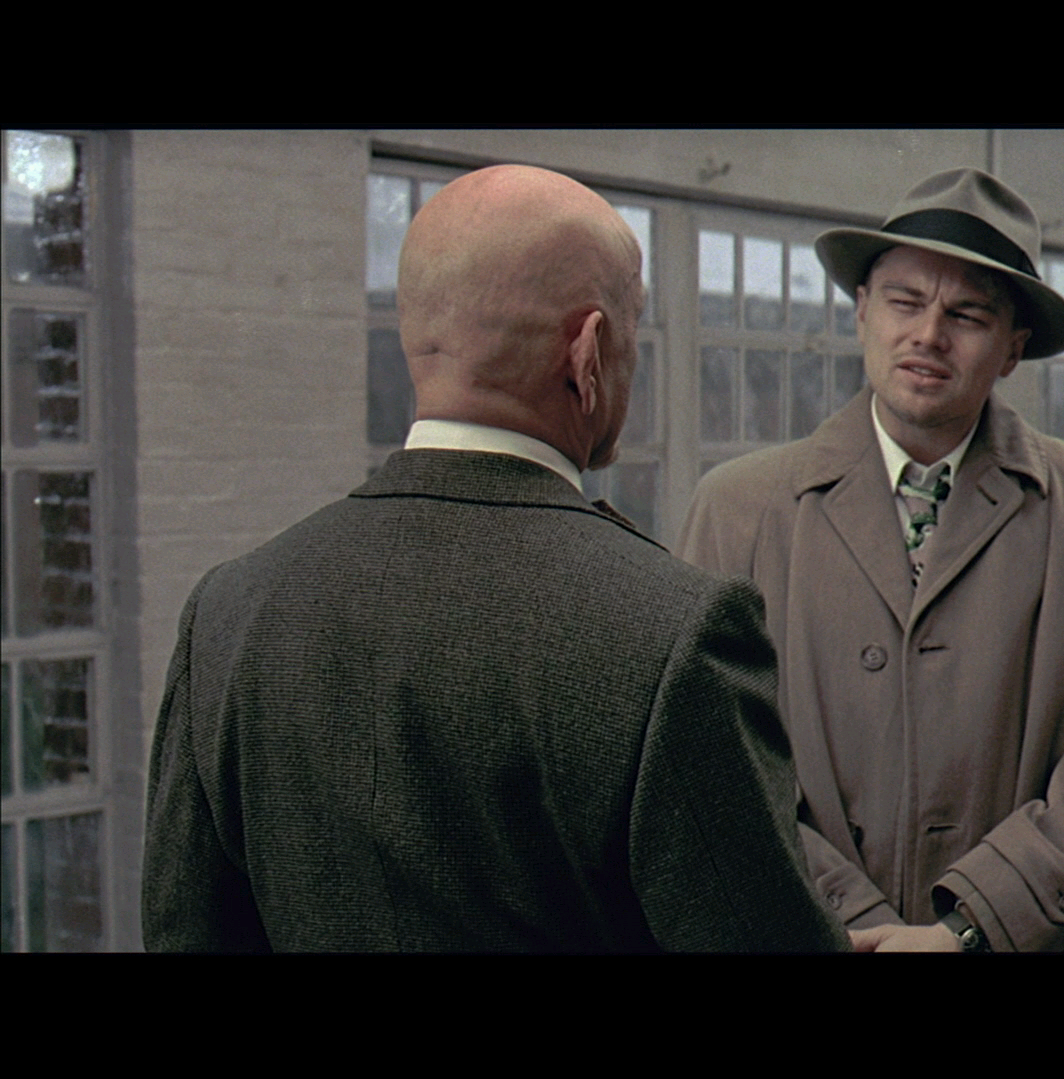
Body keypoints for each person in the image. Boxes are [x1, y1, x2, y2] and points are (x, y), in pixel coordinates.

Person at [142, 164, 848, 952]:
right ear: (588, 352)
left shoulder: (228, 613)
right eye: (633, 329)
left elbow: (183, 930)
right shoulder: (677, 634)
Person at [678, 168, 1064, 952]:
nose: (928, 335)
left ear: (1013, 349)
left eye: (967, 314)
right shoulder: (737, 509)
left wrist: (971, 927)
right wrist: (854, 923)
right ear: (861, 313)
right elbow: (713, 765)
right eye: (904, 302)